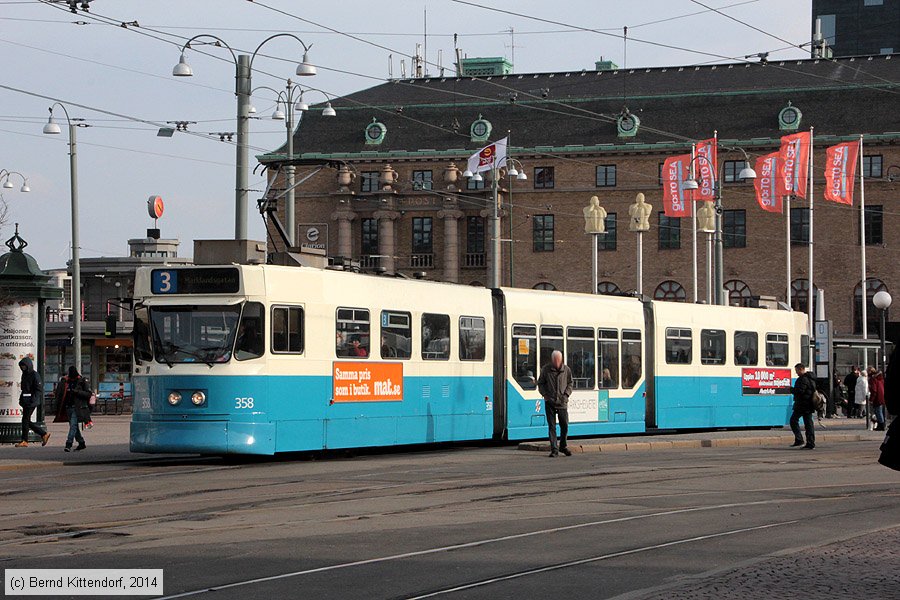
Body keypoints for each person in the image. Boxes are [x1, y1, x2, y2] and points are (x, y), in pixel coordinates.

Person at [537, 350, 574, 458]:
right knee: (552, 427)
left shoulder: (566, 370)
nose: (557, 362)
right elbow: (541, 383)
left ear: (561, 359)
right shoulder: (546, 370)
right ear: (552, 360)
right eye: (555, 360)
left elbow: (570, 383)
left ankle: (563, 446)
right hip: (550, 402)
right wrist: (545, 395)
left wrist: (566, 395)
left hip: (562, 402)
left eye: (558, 360)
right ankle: (554, 449)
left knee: (564, 425)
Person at [15, 357, 50, 448]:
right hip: (25, 401)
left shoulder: (35, 375)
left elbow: (38, 389)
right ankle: (43, 434)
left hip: (31, 401)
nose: (23, 368)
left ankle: (25, 440)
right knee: (26, 420)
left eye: (24, 366)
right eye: (22, 366)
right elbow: (24, 389)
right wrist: (21, 399)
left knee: (25, 420)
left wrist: (33, 400)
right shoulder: (24, 375)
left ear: (28, 366)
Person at [54, 366, 91, 452]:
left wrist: (77, 392)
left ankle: (68, 444)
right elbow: (60, 394)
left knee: (73, 425)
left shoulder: (81, 381)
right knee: (73, 426)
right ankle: (81, 442)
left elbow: (88, 394)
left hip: (77, 407)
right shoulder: (66, 381)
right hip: (68, 406)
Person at [790, 363, 817, 449]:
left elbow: (800, 391)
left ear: (801, 369)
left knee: (793, 420)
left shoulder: (803, 379)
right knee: (808, 424)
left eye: (797, 370)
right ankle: (810, 442)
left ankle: (800, 440)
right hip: (808, 404)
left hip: (803, 404)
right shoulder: (810, 378)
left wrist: (792, 390)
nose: (796, 373)